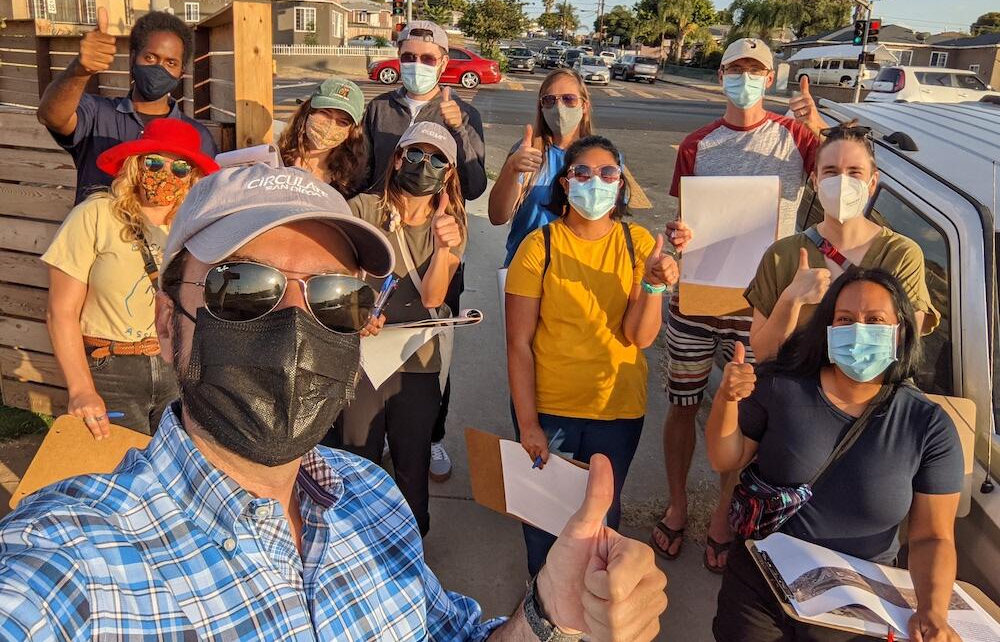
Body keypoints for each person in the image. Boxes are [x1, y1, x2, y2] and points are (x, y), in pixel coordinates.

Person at [0, 161, 668, 641]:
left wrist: (550, 615)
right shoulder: (69, 567)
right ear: (165, 318)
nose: (296, 325)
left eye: (332, 297)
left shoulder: (371, 500)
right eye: (241, 285)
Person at [705, 269, 963, 642]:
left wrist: (932, 611)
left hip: (857, 605)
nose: (859, 331)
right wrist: (726, 401)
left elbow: (932, 538)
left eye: (875, 320)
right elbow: (724, 458)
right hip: (763, 584)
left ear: (901, 331)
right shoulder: (781, 386)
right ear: (828, 329)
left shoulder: (928, 426)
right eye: (845, 320)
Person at [653, 38, 826, 572]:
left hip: (763, 307)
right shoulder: (696, 144)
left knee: (744, 417)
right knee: (681, 406)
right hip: (698, 296)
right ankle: (679, 503)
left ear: (770, 78)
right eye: (735, 69)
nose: (744, 78)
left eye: (755, 70)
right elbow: (686, 219)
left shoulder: (798, 137)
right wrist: (677, 235)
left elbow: (849, 178)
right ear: (721, 75)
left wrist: (820, 128)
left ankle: (725, 510)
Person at [506, 135, 679, 576]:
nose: (595, 182)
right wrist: (528, 424)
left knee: (602, 516)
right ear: (565, 183)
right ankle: (541, 602)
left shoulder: (637, 243)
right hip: (551, 409)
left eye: (608, 173)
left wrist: (655, 286)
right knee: (545, 519)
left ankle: (589, 599)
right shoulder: (538, 246)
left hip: (617, 410)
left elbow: (638, 337)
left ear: (621, 185)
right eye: (582, 172)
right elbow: (518, 344)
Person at [362, 19, 487, 481]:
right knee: (373, 338)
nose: (416, 65)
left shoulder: (462, 114)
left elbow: (473, 186)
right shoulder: (379, 110)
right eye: (408, 56)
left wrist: (463, 132)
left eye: (427, 58)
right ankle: (376, 428)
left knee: (433, 348)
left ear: (444, 63)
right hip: (386, 239)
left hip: (439, 244)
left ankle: (428, 435)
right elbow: (363, 175)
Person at [41, 118, 218, 438]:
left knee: (175, 472)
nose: (165, 174)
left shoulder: (195, 229)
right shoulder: (94, 215)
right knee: (114, 473)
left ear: (191, 177)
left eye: (179, 168)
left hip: (175, 365)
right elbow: (60, 312)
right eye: (154, 162)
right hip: (111, 370)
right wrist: (81, 389)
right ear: (136, 165)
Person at [334, 121, 466, 536]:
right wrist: (356, 311)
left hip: (417, 359)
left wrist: (446, 249)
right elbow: (339, 271)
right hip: (362, 357)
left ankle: (410, 548)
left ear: (448, 173)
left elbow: (432, 298)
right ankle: (353, 545)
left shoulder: (451, 225)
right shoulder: (361, 210)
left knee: (412, 464)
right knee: (357, 458)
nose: (423, 164)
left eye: (437, 158)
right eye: (415, 154)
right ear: (396, 158)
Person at [746, 121, 939, 362]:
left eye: (854, 172)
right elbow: (764, 353)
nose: (842, 182)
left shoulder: (901, 255)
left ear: (872, 183)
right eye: (831, 172)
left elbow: (902, 348)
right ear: (815, 181)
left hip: (869, 397)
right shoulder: (782, 255)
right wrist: (791, 298)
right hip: (796, 395)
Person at [36, 8, 218, 204]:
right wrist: (80, 70)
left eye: (170, 62)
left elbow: (206, 198)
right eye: (150, 58)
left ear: (181, 72)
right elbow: (51, 116)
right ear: (132, 58)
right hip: (98, 232)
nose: (159, 68)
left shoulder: (196, 136)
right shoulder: (96, 114)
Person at [488, 68, 594, 266]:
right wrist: (512, 170)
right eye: (550, 100)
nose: (559, 107)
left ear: (584, 106)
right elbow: (497, 216)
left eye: (569, 99)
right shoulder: (527, 153)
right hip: (525, 271)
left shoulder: (601, 159)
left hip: (577, 274)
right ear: (541, 107)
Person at [276, 77, 368, 197]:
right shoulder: (275, 160)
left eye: (343, 122)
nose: (331, 124)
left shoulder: (352, 181)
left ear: (350, 132)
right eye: (325, 113)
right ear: (308, 112)